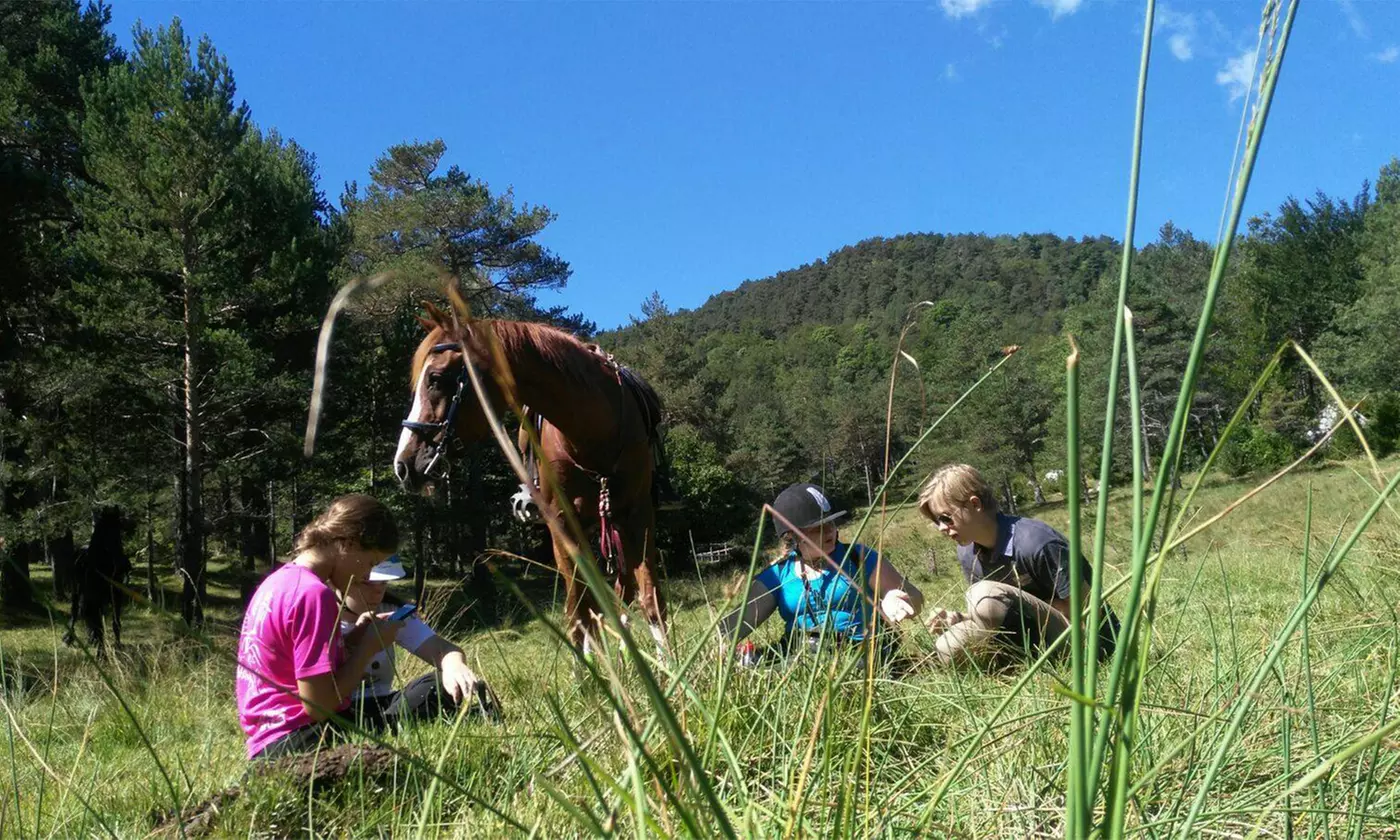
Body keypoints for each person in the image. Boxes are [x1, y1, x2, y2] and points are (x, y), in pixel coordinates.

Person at [234, 494, 406, 760]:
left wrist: (352, 642)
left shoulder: (278, 582)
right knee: (419, 703)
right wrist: (368, 649)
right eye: (371, 562)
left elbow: (289, 669)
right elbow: (319, 705)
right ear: (348, 543)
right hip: (302, 737)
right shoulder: (313, 594)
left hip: (266, 741)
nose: (367, 576)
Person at [917, 464, 1119, 666]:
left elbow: (1091, 612)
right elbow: (992, 613)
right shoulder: (967, 552)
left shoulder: (1037, 543)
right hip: (1027, 637)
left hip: (1087, 641)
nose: (942, 528)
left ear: (975, 504)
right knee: (947, 646)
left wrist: (1023, 608)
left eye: (946, 518)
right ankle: (1014, 666)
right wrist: (958, 618)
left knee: (982, 594)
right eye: (937, 522)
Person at [718, 482, 923, 661]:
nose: (830, 531)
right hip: (801, 654)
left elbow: (916, 598)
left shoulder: (859, 558)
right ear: (791, 536)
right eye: (818, 527)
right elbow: (730, 630)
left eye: (831, 523)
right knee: (751, 663)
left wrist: (897, 598)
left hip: (862, 652)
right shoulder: (778, 575)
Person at [336, 556, 496, 726]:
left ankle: (386, 723)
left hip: (383, 701)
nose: (377, 592)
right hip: (335, 706)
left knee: (440, 683)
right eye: (366, 583)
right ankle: (391, 724)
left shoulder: (390, 612)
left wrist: (454, 667)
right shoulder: (320, 614)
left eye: (383, 583)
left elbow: (441, 648)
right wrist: (357, 641)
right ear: (338, 581)